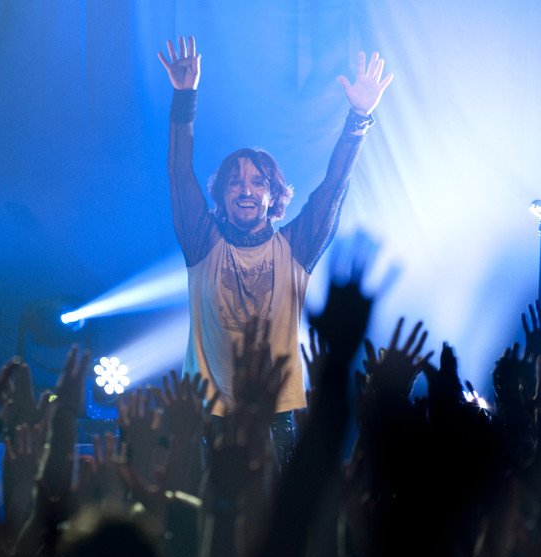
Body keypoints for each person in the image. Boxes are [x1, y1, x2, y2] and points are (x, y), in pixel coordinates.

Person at [158, 36, 392, 462]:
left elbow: (333, 188)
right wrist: (184, 97)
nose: (245, 189)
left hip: (280, 418)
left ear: (273, 195)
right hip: (208, 416)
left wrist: (359, 118)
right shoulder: (201, 241)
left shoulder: (296, 247)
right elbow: (178, 171)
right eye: (235, 181)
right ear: (223, 195)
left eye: (257, 182)